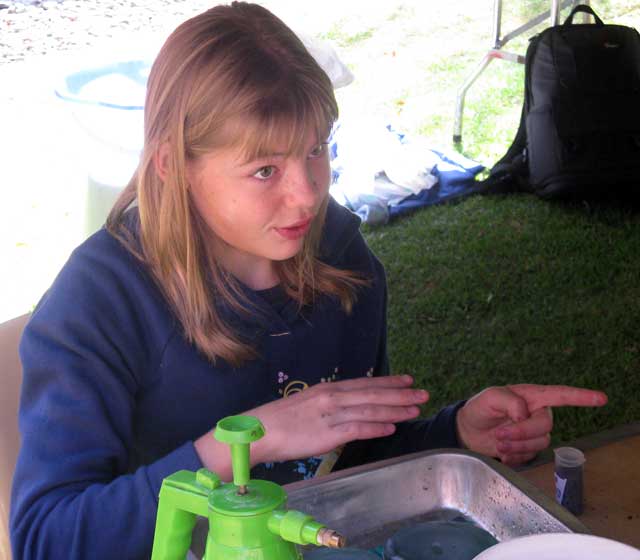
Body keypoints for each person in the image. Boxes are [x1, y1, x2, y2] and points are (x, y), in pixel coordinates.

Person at [10, 3, 607, 559]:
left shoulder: (341, 259)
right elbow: (47, 538)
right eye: (264, 170)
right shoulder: (101, 301)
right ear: (172, 165)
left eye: (316, 150)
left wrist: (457, 433)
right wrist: (242, 446)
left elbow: (349, 459)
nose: (307, 194)